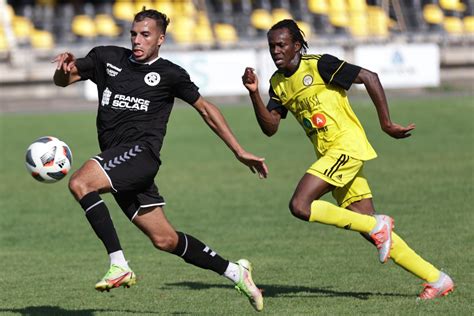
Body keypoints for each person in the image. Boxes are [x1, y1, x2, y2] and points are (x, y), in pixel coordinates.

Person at [53, 9, 265, 312]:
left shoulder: (170, 74)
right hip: (119, 163)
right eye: (134, 34)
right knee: (165, 240)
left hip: (141, 155)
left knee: (80, 182)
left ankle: (119, 264)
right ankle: (235, 272)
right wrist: (63, 68)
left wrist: (239, 150)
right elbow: (64, 80)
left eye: (146, 35)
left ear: (161, 38)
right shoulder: (106, 57)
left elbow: (206, 109)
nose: (137, 40)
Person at [241, 19, 454, 300]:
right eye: (271, 46)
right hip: (331, 155)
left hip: (346, 147)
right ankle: (436, 279)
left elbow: (369, 77)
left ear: (296, 45)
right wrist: (254, 93)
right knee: (369, 228)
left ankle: (378, 225)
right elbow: (270, 127)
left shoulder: (319, 65)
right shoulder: (277, 84)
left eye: (281, 44)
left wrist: (386, 124)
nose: (276, 51)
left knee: (300, 205)